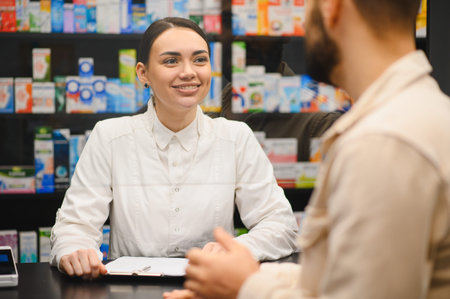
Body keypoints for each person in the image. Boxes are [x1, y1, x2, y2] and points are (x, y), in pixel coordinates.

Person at [164, 0, 450, 298]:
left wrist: (245, 287)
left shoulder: (385, 141)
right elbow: (344, 277)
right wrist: (239, 277)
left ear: (333, 9)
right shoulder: (410, 114)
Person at [49, 17, 298, 279]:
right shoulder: (110, 137)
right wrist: (76, 250)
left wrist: (236, 248)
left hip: (209, 288)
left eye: (200, 60)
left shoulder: (235, 138)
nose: (189, 71)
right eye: (171, 61)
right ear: (143, 74)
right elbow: (74, 226)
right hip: (130, 291)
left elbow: (280, 225)